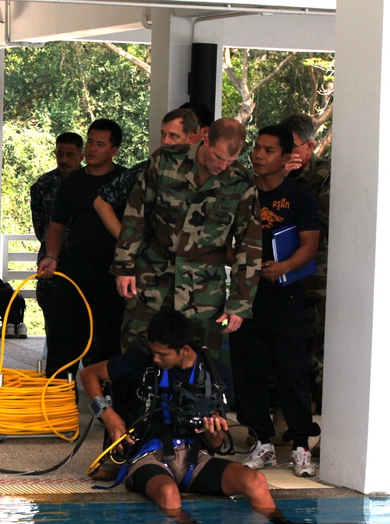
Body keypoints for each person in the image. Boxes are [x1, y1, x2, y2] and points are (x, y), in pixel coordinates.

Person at [80, 308, 292, 524]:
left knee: (256, 482)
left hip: (196, 457)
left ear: (185, 350)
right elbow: (88, 374)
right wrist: (108, 414)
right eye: (154, 351)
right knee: (169, 493)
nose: (156, 358)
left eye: (163, 354)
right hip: (149, 456)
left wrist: (214, 432)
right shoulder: (140, 361)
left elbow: (218, 443)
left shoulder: (216, 373)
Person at [114, 117, 262, 355]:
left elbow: (250, 245)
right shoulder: (164, 161)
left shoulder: (242, 182)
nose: (223, 166)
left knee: (200, 363)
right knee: (137, 354)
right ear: (205, 140)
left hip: (204, 295)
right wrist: (124, 266)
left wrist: (239, 302)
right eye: (218, 157)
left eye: (231, 161)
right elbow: (136, 214)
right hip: (152, 281)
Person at [231, 125, 322, 477]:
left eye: (268, 150)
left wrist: (282, 267)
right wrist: (245, 265)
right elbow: (226, 239)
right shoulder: (242, 192)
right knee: (249, 371)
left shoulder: (299, 196)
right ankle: (262, 442)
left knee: (292, 372)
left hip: (285, 296)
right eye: (256, 148)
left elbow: (309, 246)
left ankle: (301, 446)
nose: (258, 155)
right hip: (245, 296)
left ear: (286, 159)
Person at [93, 108, 201, 348]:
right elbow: (102, 202)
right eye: (163, 135)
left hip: (193, 283)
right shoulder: (152, 166)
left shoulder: (212, 171)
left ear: (192, 139)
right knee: (138, 344)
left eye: (173, 136)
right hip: (151, 274)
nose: (165, 142)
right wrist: (130, 247)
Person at [38, 119, 126, 376]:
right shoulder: (71, 183)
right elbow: (55, 227)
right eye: (89, 142)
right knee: (64, 335)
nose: (92, 148)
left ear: (114, 150)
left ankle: (110, 402)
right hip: (75, 266)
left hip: (114, 270)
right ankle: (58, 399)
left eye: (100, 144)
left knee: (110, 340)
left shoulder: (125, 180)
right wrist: (51, 256)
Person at [280, 113, 331, 411]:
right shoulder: (272, 174)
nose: (288, 154)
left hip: (318, 278)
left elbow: (320, 224)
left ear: (309, 147)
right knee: (287, 349)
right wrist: (281, 178)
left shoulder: (324, 175)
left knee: (319, 351)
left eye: (293, 147)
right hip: (280, 275)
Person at [30, 132, 83, 345]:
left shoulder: (91, 182)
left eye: (70, 154)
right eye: (60, 153)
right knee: (53, 314)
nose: (64, 160)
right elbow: (40, 227)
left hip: (84, 258)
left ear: (81, 155)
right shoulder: (44, 185)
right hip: (53, 258)